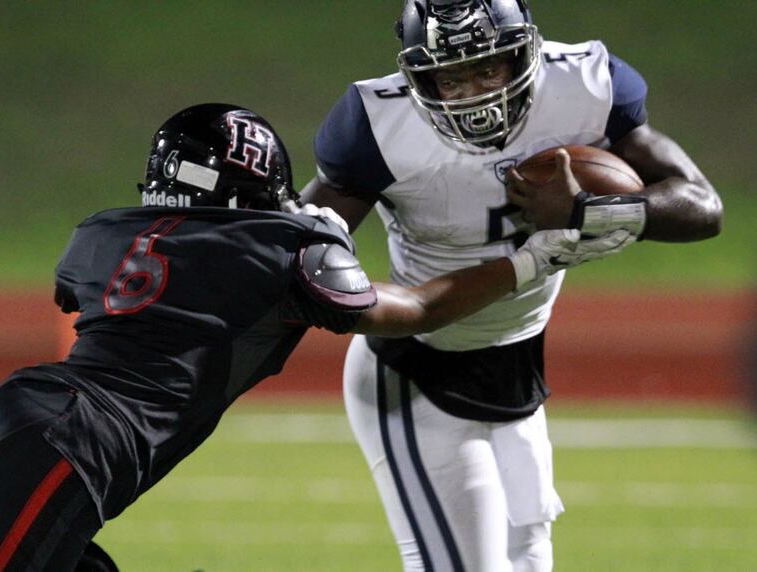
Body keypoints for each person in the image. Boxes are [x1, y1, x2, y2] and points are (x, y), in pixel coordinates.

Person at [0, 103, 629, 571]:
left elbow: (94, 293)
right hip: (75, 443)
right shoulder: (286, 247)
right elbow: (414, 309)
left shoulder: (101, 231)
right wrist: (535, 258)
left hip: (5, 416)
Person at [299, 1, 723, 570]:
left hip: (519, 361)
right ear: (418, 75)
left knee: (529, 562)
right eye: (450, 76)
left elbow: (703, 207)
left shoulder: (586, 85)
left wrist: (588, 211)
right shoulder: (377, 125)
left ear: (526, 52)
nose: (474, 91)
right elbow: (301, 250)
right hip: (417, 367)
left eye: (489, 68)